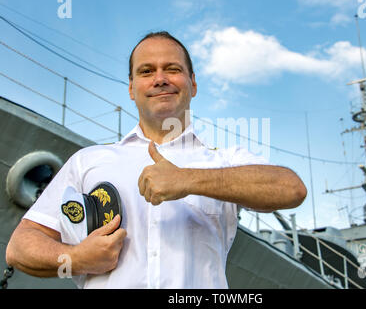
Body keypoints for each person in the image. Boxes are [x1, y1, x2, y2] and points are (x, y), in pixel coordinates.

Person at [6, 31, 307, 288]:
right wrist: (77, 259)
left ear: (193, 84)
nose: (160, 79)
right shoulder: (88, 161)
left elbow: (291, 188)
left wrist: (189, 179)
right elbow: (20, 246)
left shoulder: (225, 160)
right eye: (147, 71)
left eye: (172, 69)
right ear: (131, 89)